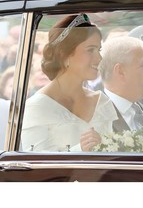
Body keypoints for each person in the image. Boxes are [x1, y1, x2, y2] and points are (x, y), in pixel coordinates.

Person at [21, 13, 118, 152]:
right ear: (64, 54)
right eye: (91, 50)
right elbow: (36, 166)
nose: (99, 58)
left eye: (99, 50)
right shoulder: (37, 107)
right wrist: (81, 149)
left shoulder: (101, 102)